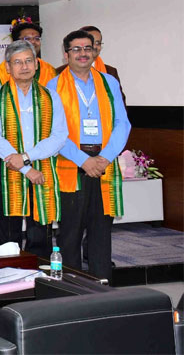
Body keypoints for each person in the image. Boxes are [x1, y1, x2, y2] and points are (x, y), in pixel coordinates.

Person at [45, 30, 130, 281]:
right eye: (76, 49)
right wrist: (84, 160)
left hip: (104, 162)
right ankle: (72, 286)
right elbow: (54, 132)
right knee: (70, 232)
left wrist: (104, 158)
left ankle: (101, 285)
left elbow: (122, 123)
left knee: (101, 229)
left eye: (87, 48)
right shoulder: (53, 86)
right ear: (66, 54)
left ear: (95, 51)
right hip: (71, 163)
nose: (82, 53)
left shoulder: (109, 82)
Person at [0, 40, 68, 258]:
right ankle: (7, 271)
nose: (24, 66)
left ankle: (39, 270)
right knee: (8, 231)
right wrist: (26, 169)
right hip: (8, 169)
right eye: (17, 62)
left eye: (29, 61)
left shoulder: (51, 96)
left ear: (36, 64)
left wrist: (27, 157)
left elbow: (60, 135)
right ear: (8, 67)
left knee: (40, 230)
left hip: (42, 168)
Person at [56, 25, 126, 104]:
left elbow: (120, 103)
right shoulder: (59, 73)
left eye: (98, 43)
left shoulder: (110, 72)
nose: (95, 46)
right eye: (91, 42)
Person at [0, 22, 56, 88]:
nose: (33, 42)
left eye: (37, 38)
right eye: (27, 39)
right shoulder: (1, 72)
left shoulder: (49, 71)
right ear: (16, 42)